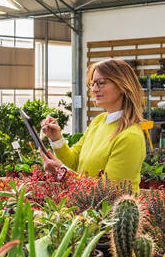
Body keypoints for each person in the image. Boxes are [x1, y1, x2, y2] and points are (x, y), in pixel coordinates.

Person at [40, 58, 146, 192]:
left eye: (101, 83)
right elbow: (73, 162)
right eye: (92, 83)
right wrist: (56, 139)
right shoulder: (99, 121)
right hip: (87, 210)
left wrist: (63, 173)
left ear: (122, 85)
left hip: (110, 212)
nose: (94, 89)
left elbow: (108, 191)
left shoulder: (130, 137)